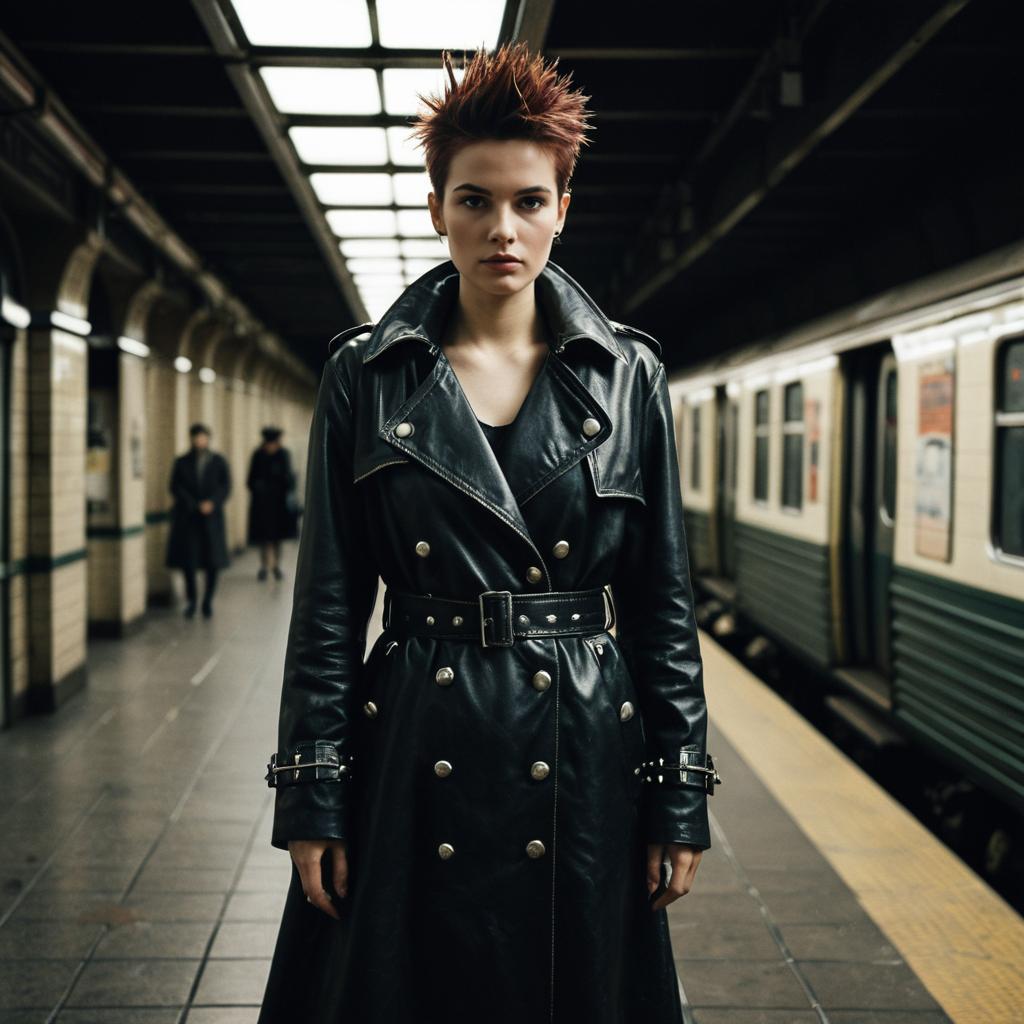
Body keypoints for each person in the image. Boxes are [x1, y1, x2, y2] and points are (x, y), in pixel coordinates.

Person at [258, 42, 721, 1024]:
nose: (500, 228)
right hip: (417, 740)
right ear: (437, 209)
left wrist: (677, 793)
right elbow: (331, 605)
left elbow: (661, 603)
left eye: (526, 202)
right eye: (473, 200)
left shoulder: (626, 373)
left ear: (562, 208)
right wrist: (313, 800)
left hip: (586, 744)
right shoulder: (366, 373)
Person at [166, 423, 231, 618]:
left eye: (203, 437)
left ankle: (207, 601)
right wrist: (194, 504)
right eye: (196, 437)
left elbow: (226, 486)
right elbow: (175, 487)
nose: (199, 440)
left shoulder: (218, 461)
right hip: (189, 519)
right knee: (189, 562)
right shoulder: (182, 462)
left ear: (208, 438)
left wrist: (212, 503)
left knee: (212, 562)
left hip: (212, 519)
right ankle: (192, 601)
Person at [247, 425, 299, 581]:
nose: (272, 447)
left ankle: (276, 566)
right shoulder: (258, 455)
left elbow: (290, 479)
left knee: (277, 538)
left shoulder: (284, 455)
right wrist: (260, 487)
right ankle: (263, 566)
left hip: (279, 505)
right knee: (263, 538)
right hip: (262, 504)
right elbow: (250, 480)